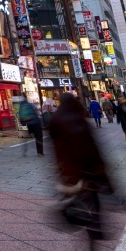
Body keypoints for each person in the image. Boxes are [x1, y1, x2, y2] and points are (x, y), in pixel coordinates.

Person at [48, 93, 113, 242]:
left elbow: (54, 145)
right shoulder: (79, 120)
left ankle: (76, 221)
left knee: (72, 198)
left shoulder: (55, 120)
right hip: (86, 168)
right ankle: (94, 228)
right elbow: (91, 147)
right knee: (93, 200)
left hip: (67, 169)